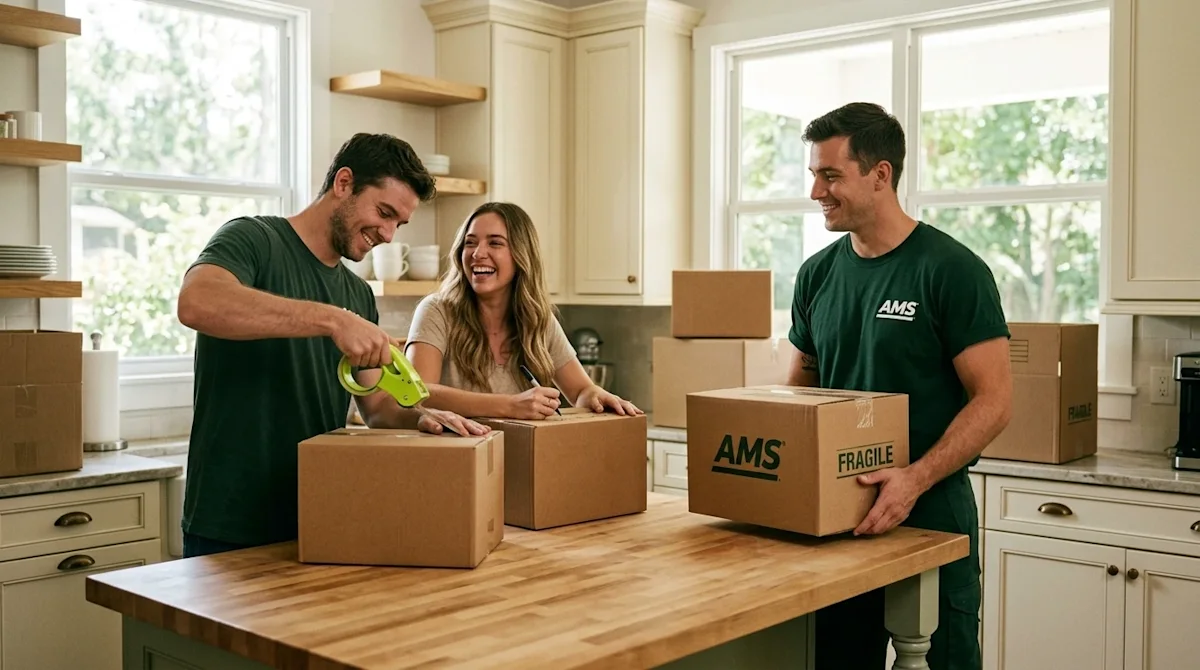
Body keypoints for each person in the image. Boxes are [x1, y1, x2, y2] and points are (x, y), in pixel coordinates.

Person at [175, 133, 490, 559]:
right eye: (384, 213)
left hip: (319, 517)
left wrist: (422, 417)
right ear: (344, 183)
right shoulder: (253, 239)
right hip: (230, 522)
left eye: (399, 223)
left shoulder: (358, 295)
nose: (388, 234)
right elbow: (197, 302)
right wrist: (332, 319)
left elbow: (377, 407)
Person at [787, 103, 1013, 670]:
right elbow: (799, 392)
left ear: (880, 175)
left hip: (931, 510)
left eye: (831, 175)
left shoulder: (951, 270)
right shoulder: (817, 274)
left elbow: (996, 400)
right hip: (839, 519)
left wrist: (913, 479)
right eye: (815, 174)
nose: (817, 190)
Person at [405, 201, 642, 419]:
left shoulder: (539, 320)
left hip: (521, 459)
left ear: (521, 255)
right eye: (470, 243)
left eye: (495, 243)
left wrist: (594, 395)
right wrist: (510, 405)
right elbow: (419, 393)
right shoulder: (437, 311)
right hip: (460, 460)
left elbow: (580, 390)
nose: (478, 253)